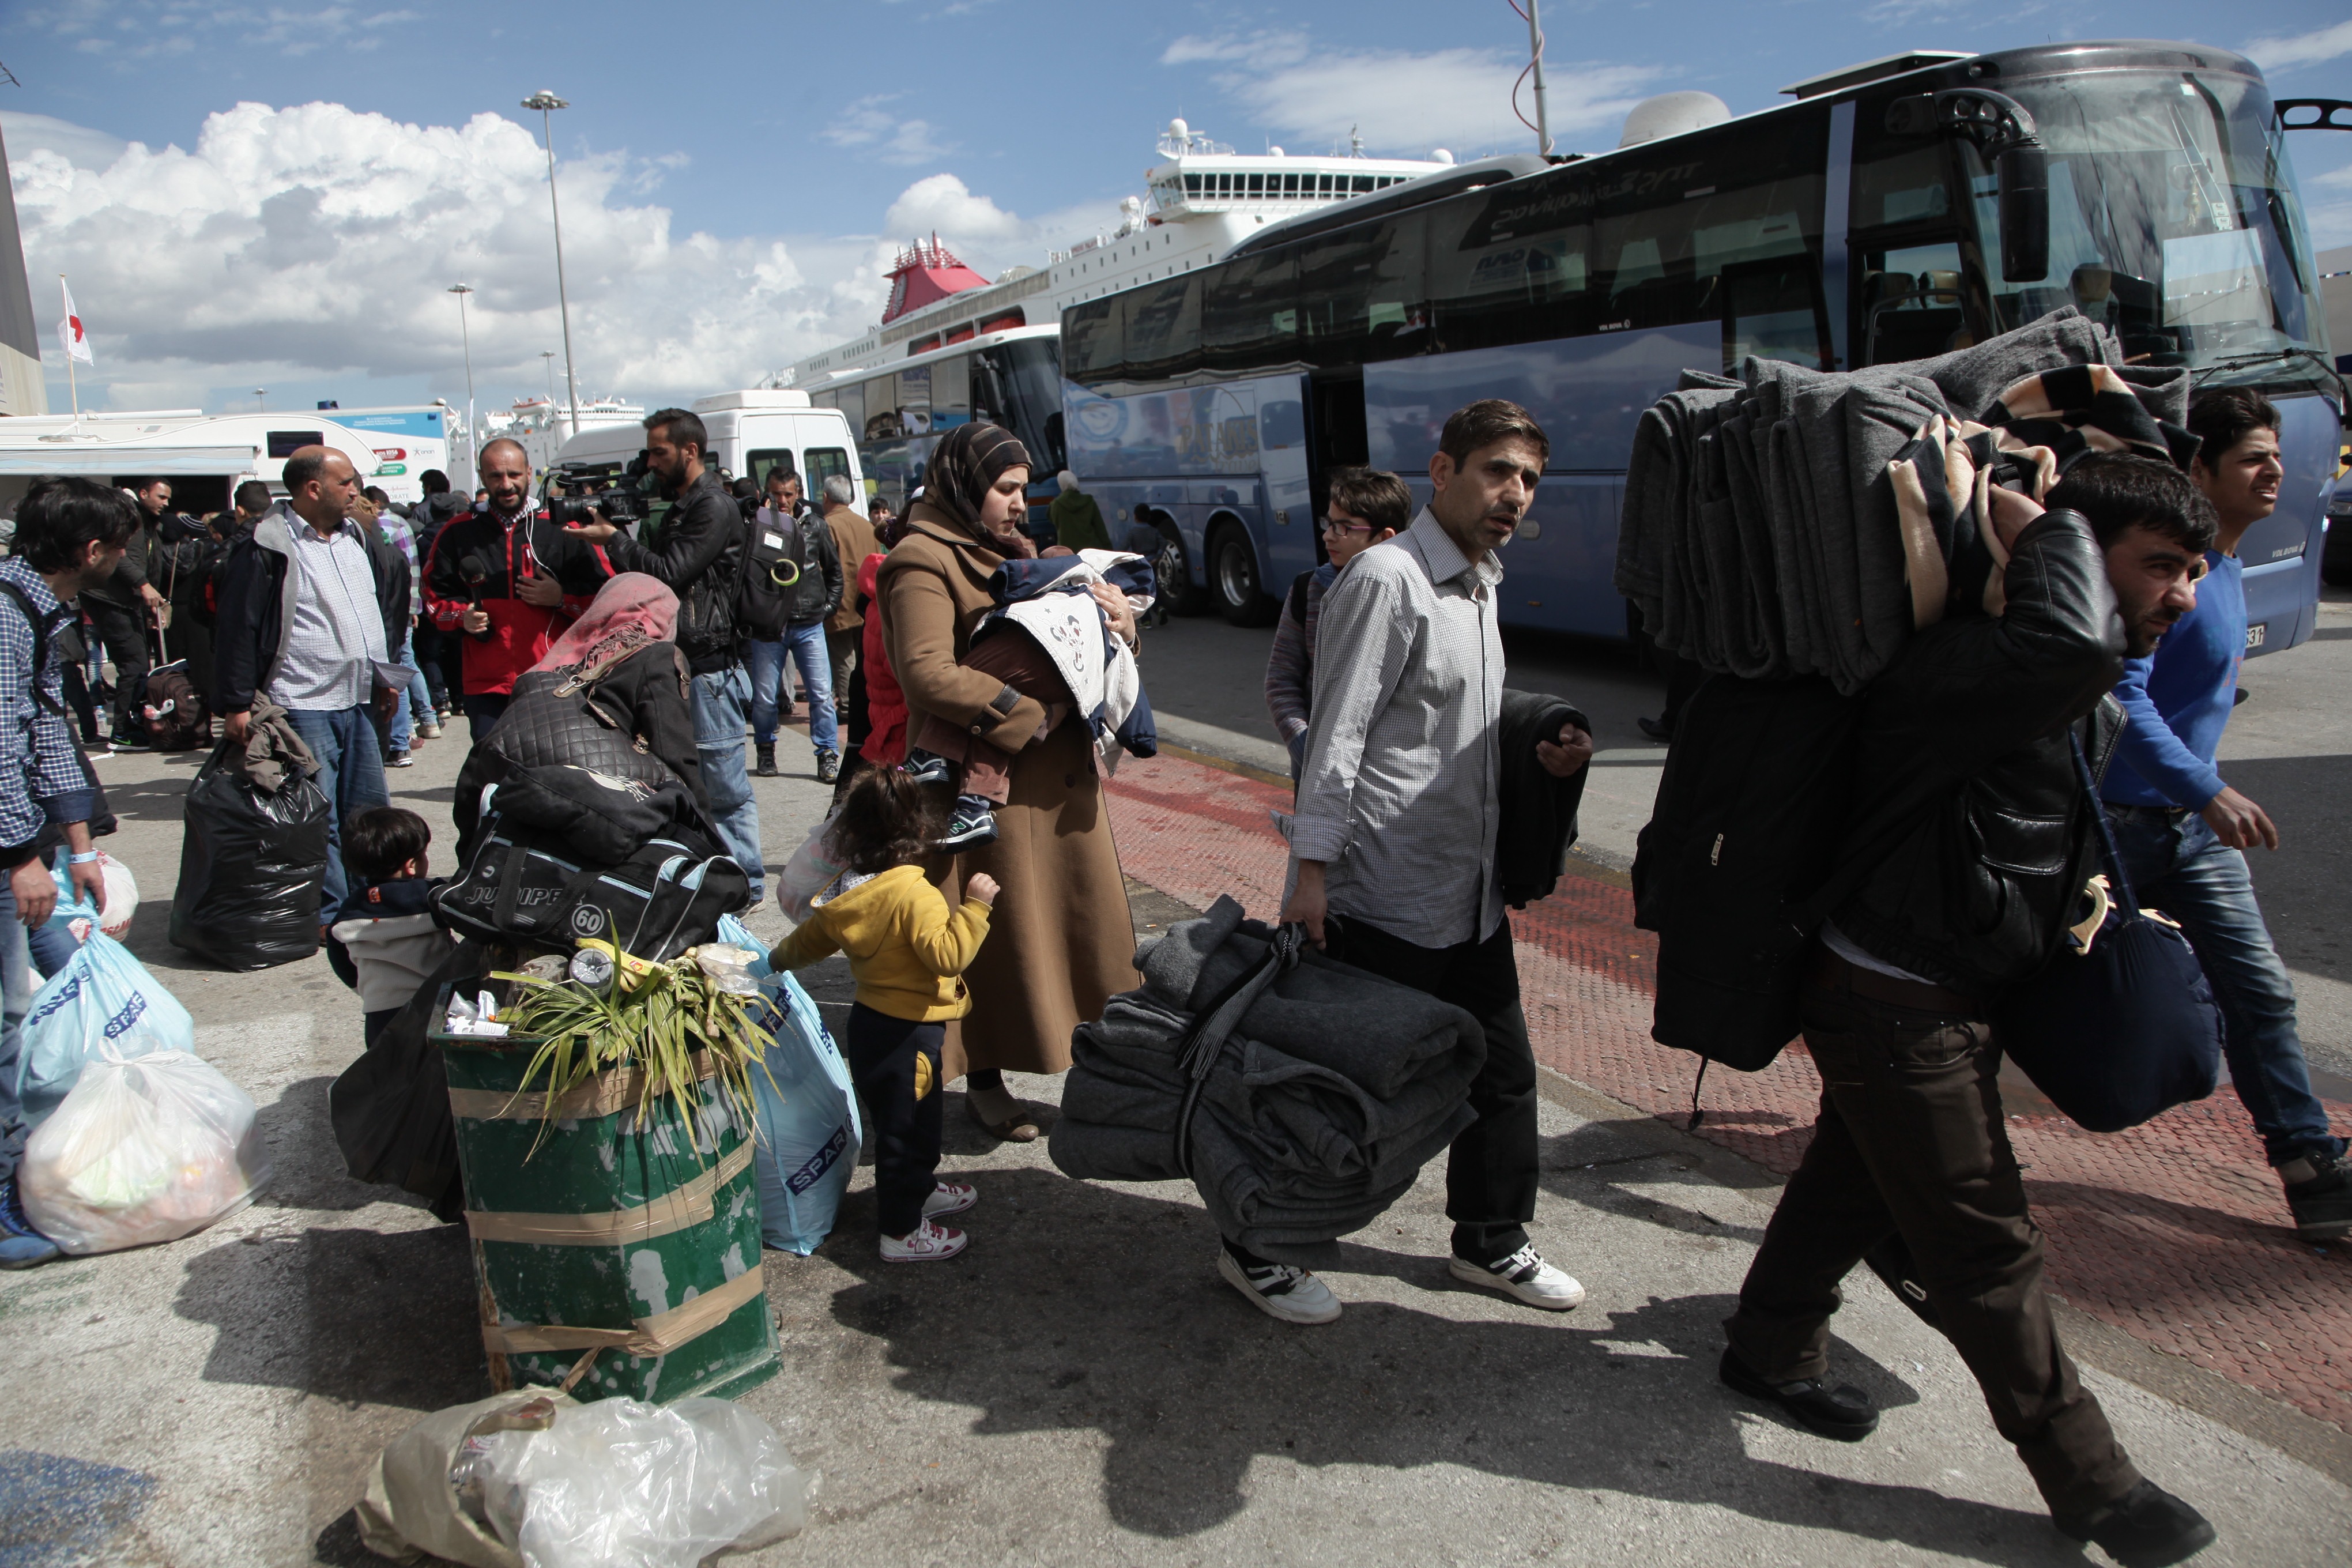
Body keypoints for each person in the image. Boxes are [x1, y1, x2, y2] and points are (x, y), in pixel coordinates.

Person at [1721, 453, 2217, 1566]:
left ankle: (1768, 1343)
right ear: (2079, 563)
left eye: (2194, 571)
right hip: (1894, 1002)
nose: (2183, 594)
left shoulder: (2062, 678)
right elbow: (2074, 638)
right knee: (1986, 1246)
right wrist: (2046, 526)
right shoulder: (1971, 670)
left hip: (1941, 990)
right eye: (2161, 569)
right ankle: (2094, 1484)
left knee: (1850, 1180)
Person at [1271, 400, 1592, 1326]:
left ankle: (1491, 1240)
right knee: (1352, 1091)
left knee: (1502, 1075)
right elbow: (1338, 735)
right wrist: (1313, 874)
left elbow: (1453, 714)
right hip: (1384, 894)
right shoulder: (1385, 578)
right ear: (1442, 471)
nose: (1515, 495)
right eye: (1497, 472)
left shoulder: (1482, 582)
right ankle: (1260, 1240)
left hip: (1468, 891)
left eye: (1529, 480)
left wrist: (1544, 743)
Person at [2100, 388, 2346, 1239]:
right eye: (2251, 456)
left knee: (2262, 993)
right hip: (2113, 830)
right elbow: (2121, 695)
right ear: (2201, 469)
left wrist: (2201, 792)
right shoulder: (2175, 570)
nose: (2274, 469)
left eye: (2276, 452)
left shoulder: (2230, 566)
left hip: (2189, 833)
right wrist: (2207, 785)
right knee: (2030, 992)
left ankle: (2310, 1169)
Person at [876, 421, 1139, 1143]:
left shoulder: (1021, 549)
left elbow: (1079, 633)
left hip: (1056, 785)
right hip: (985, 792)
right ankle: (986, 1074)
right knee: (993, 940)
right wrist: (1030, 715)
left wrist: (1120, 623)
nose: (1022, 503)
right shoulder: (921, 559)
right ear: (965, 485)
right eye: (1006, 489)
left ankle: (1100, 1065)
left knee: (1082, 932)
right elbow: (926, 673)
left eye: (1024, 488)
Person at [768, 767, 998, 1261]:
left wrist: (770, 963)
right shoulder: (913, 894)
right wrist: (976, 908)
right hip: (911, 1032)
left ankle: (921, 1191)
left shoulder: (845, 894)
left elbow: (804, 944)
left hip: (873, 1024)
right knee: (906, 1132)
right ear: (919, 830)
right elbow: (947, 956)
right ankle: (901, 1232)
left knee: (912, 1121)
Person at [0, 477, 134, 1269]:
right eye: (119, 549)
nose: (124, 562)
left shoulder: (37, 609)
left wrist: (79, 846)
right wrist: (20, 856)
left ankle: (40, 1160)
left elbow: (47, 730)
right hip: (10, 848)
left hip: (35, 841)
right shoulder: (6, 617)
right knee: (10, 1020)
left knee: (59, 999)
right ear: (91, 551)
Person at [560, 409, 766, 904]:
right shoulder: (682, 505)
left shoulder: (712, 507)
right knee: (688, 778)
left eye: (659, 452)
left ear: (689, 451)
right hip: (684, 661)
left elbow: (670, 573)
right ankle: (714, 879)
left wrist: (615, 540)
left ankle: (748, 885)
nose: (650, 462)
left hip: (710, 666)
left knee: (724, 787)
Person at [212, 446, 409, 931]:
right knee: (317, 818)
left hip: (360, 698)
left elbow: (378, 612)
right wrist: (236, 703)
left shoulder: (357, 537)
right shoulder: (268, 544)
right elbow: (239, 626)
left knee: (366, 812)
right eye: (347, 483)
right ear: (312, 488)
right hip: (302, 703)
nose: (356, 491)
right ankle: (331, 913)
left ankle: (373, 898)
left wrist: (385, 676)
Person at [452, 573, 705, 863]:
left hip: (528, 830)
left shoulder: (550, 664)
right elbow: (676, 751)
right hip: (605, 824)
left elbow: (484, 763)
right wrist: (704, 831)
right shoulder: (657, 656)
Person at [421, 439, 613, 741]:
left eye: (514, 474)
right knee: (495, 773)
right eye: (496, 476)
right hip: (487, 686)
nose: (506, 484)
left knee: (555, 773)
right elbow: (433, 596)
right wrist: (462, 617)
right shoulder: (457, 532)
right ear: (483, 477)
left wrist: (561, 598)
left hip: (556, 679)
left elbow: (608, 596)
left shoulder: (565, 528)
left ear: (528, 472)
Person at [1265, 468, 1407, 782]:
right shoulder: (1308, 589)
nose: (1329, 535)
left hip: (1386, 781)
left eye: (1344, 527)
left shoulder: (1412, 596)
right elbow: (1280, 681)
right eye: (1329, 523)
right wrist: (1306, 750)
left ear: (1384, 538)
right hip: (1315, 775)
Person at [742, 467, 843, 783]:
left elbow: (835, 572)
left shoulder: (815, 525)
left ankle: (827, 754)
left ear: (799, 492)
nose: (783, 500)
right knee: (764, 697)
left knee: (821, 695)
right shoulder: (757, 525)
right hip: (771, 626)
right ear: (767, 493)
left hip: (809, 623)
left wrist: (827, 607)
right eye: (777, 494)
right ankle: (765, 748)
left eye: (788, 493)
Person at [326, 806, 453, 1047]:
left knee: (388, 1074)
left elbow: (339, 957)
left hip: (379, 1013)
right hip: (434, 1003)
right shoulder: (430, 896)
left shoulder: (348, 911)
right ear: (411, 865)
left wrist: (362, 988)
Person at [79, 476, 171, 753]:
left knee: (139, 663)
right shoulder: (126, 514)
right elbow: (121, 556)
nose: (166, 504)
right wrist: (143, 585)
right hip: (109, 598)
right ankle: (121, 732)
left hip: (124, 600)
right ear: (143, 494)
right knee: (133, 663)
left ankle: (129, 725)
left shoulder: (145, 521)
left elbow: (148, 560)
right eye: (161, 497)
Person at [408, 469, 468, 718]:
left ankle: (440, 702)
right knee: (456, 653)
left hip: (431, 604)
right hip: (460, 603)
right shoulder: (463, 535)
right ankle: (460, 700)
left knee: (431, 655)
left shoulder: (421, 538)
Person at [821, 474, 878, 715]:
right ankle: (864, 701)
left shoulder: (827, 525)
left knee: (844, 658)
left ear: (825, 497)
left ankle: (846, 704)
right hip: (867, 600)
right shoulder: (867, 525)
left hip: (840, 603)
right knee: (865, 657)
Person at [1048, 470, 1110, 553]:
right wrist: (1109, 549)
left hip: (1067, 552)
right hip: (1091, 550)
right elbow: (1100, 528)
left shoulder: (1056, 504)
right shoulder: (1089, 501)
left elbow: (1053, 521)